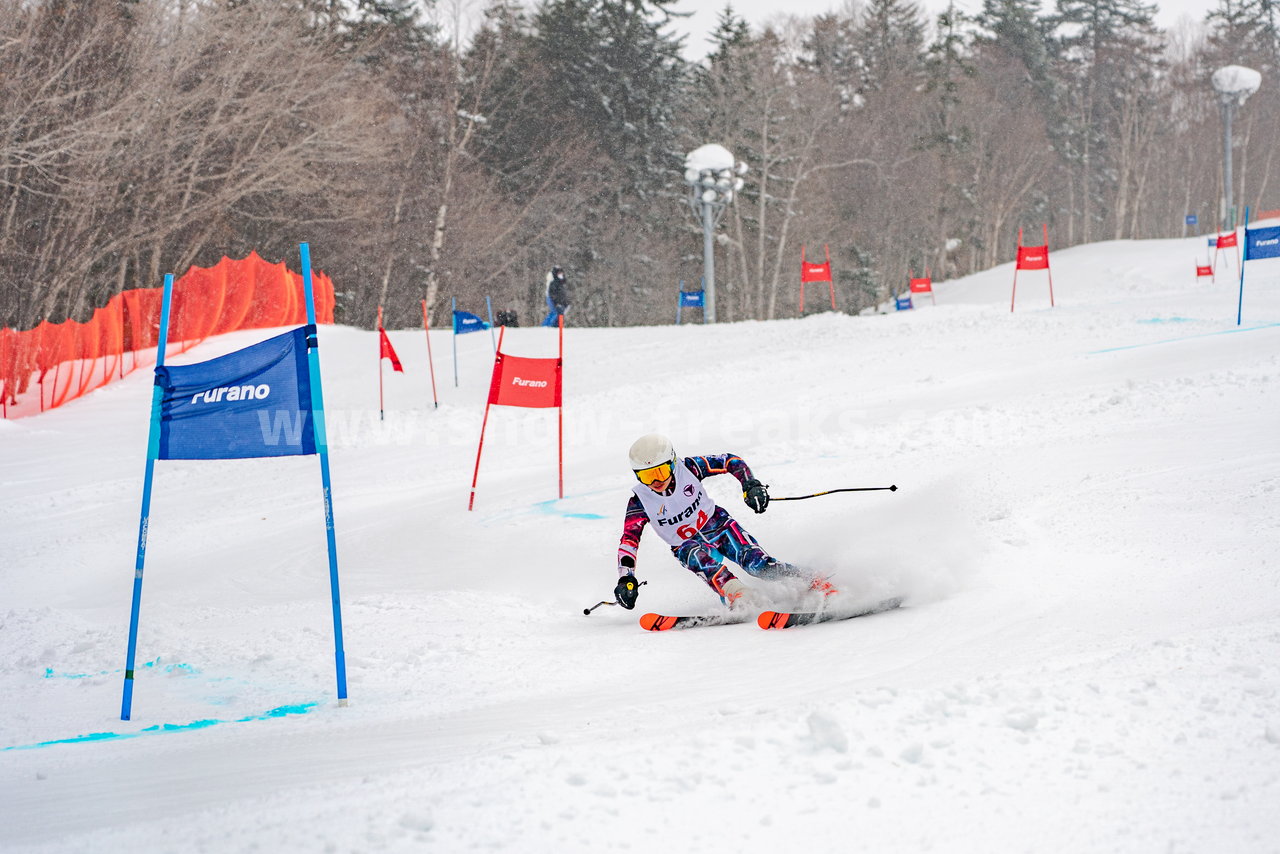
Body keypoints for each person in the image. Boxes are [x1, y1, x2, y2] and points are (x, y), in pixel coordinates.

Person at [612, 433, 837, 612]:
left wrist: (750, 485)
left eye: (661, 471)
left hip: (719, 526)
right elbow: (629, 542)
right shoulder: (640, 501)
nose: (657, 481)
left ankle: (813, 580)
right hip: (685, 545)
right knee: (697, 558)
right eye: (647, 476)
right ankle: (738, 594)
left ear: (672, 462)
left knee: (759, 566)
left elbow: (730, 461)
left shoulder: (689, 468)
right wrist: (626, 580)